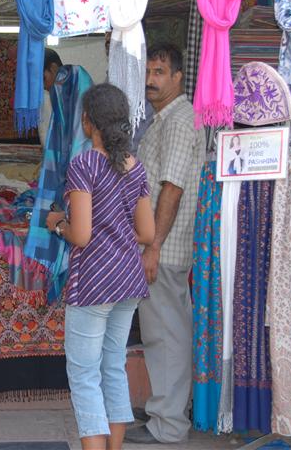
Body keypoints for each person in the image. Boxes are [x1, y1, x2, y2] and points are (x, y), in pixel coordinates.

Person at [46, 83, 155, 450]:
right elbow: (148, 232)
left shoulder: (84, 164)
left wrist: (58, 223)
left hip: (93, 281)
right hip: (127, 279)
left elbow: (81, 235)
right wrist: (116, 229)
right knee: (113, 367)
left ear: (87, 122)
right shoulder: (133, 166)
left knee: (84, 374)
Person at [123, 43, 206, 445]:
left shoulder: (179, 118)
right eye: (149, 72)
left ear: (177, 78)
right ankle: (165, 411)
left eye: (160, 72)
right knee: (164, 332)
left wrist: (152, 247)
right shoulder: (163, 119)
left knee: (166, 334)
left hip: (165, 248)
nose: (151, 80)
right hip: (160, 244)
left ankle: (169, 424)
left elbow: (171, 187)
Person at [38, 47, 64, 146]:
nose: (44, 86)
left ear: (53, 68)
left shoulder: (74, 90)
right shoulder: (48, 95)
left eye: (44, 79)